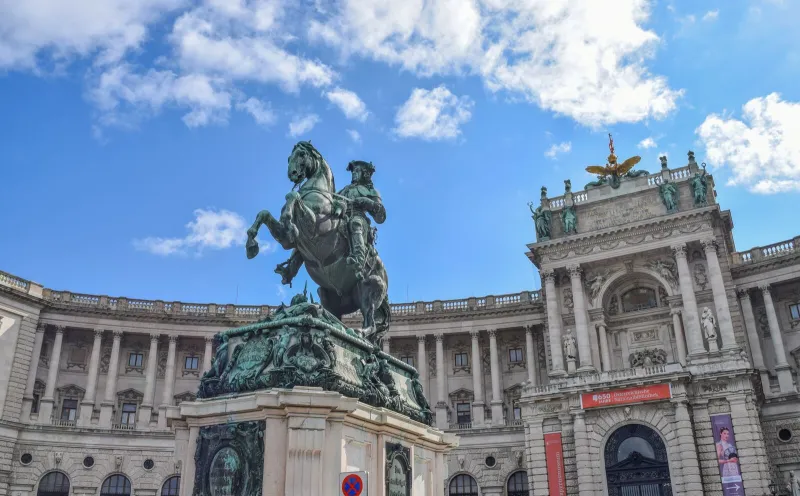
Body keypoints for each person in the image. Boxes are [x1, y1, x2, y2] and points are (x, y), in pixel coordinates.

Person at [337, 160, 386, 280]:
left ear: (364, 174)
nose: (354, 173)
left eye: (357, 171)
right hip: (340, 216)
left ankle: (359, 259)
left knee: (355, 223)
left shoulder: (371, 191)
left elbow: (381, 217)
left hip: (359, 218)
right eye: (353, 171)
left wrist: (367, 202)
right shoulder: (343, 190)